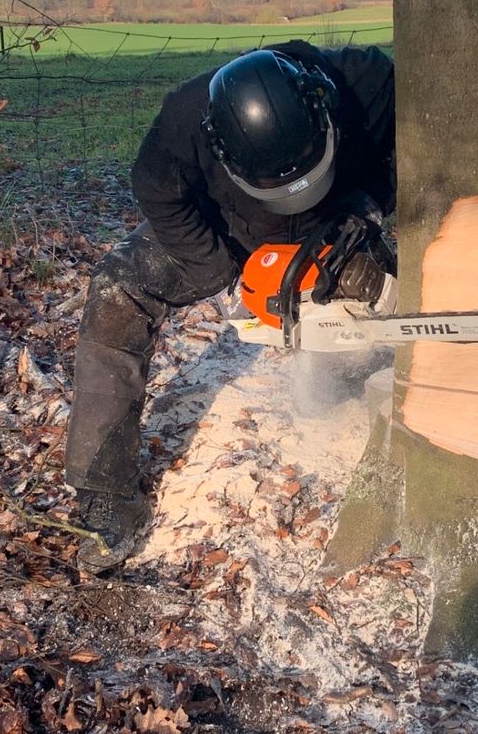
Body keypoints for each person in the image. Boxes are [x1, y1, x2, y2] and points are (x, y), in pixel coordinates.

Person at [66, 39, 395, 573]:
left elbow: (408, 154)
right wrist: (216, 264)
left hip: (337, 225)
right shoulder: (183, 122)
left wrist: (367, 214)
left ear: (321, 107)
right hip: (228, 233)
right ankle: (105, 495)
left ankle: (349, 391)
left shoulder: (368, 82)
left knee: (383, 297)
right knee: (115, 291)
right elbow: (155, 191)